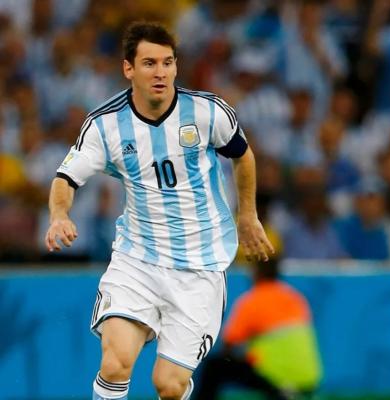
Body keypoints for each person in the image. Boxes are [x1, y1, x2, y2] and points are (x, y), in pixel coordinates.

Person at [44, 21, 274, 400]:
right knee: (115, 363)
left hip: (200, 267)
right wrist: (59, 215)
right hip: (138, 261)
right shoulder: (105, 125)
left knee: (169, 385)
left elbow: (242, 155)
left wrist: (247, 215)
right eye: (149, 63)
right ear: (128, 68)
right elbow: (66, 178)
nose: (160, 72)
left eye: (168, 62)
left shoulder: (207, 112)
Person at [194, 257, 322, 400]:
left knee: (214, 367)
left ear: (256, 273)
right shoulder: (295, 298)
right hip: (308, 377)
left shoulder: (252, 301)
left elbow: (228, 345)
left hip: (274, 378)